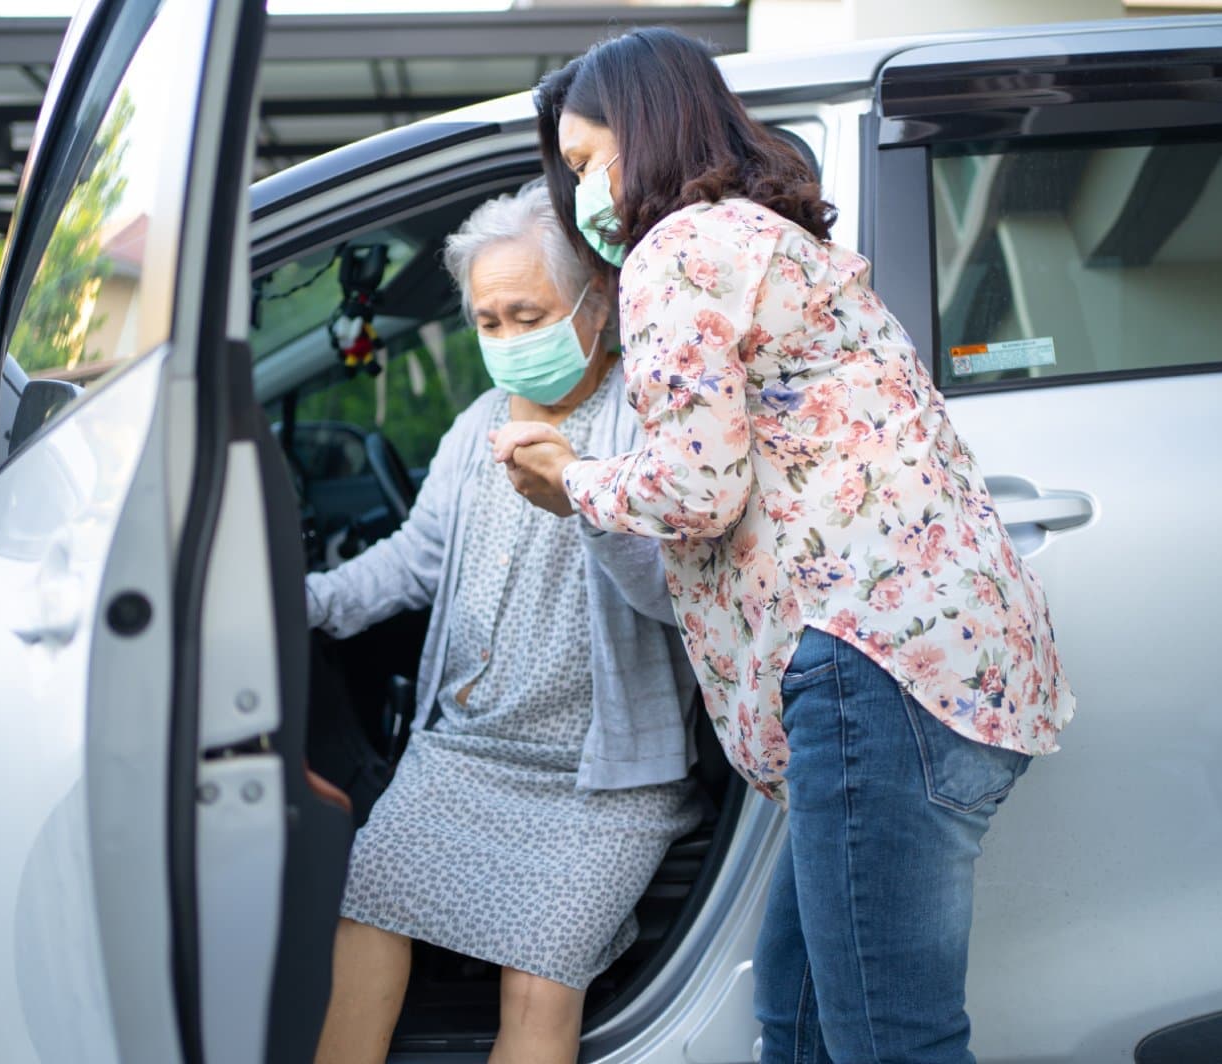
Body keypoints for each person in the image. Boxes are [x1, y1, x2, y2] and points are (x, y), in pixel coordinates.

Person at [493, 29, 1076, 1064]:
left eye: (585, 162)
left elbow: (697, 486)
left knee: (890, 1043)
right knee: (799, 1022)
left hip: (872, 670)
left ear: (648, 130)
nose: (580, 193)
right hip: (950, 669)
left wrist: (569, 480)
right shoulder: (767, 238)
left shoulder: (678, 248)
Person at [307, 182, 702, 1064]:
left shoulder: (648, 420)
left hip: (603, 779)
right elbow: (413, 562)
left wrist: (581, 500)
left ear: (597, 304)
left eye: (529, 316)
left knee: (539, 980)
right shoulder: (476, 426)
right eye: (489, 322)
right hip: (465, 752)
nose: (509, 339)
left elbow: (676, 598)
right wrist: (304, 601)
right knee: (364, 912)